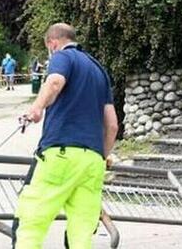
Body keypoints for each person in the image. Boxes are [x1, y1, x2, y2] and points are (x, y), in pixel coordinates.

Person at [13, 23, 119, 249]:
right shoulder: (99, 70)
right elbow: (112, 126)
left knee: (30, 221)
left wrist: (36, 108)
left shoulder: (62, 57)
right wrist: (101, 157)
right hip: (92, 164)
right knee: (81, 231)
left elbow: (54, 82)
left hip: (60, 154)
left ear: (52, 43)